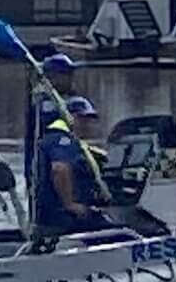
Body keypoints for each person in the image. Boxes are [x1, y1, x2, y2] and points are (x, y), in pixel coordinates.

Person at [33, 95, 113, 238]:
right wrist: (70, 204)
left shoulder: (68, 141)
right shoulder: (60, 139)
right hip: (62, 218)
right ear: (69, 117)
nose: (87, 124)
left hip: (62, 216)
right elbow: (59, 168)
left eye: (89, 119)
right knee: (117, 227)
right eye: (82, 118)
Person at [23, 51, 77, 194]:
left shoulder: (68, 99)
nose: (70, 78)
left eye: (70, 74)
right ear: (52, 77)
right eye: (65, 74)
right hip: (45, 167)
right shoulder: (43, 103)